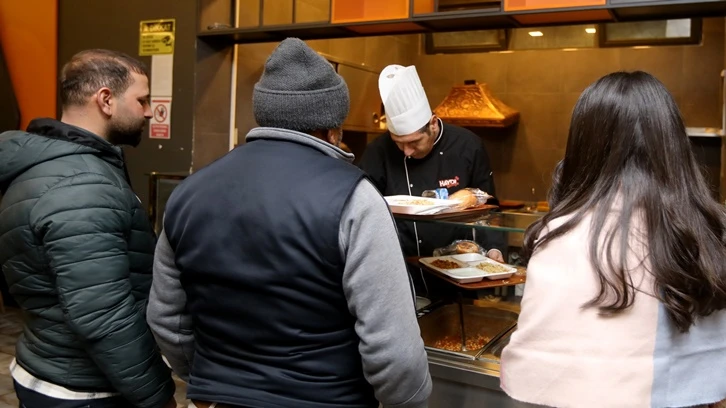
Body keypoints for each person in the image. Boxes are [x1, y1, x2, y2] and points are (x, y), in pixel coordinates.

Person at [147, 38, 431, 408]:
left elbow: (167, 320)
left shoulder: (187, 194)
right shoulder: (355, 198)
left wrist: (209, 380)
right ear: (332, 129)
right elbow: (396, 352)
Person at [500, 71, 726, 407]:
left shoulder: (561, 234)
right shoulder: (712, 229)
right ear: (673, 143)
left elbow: (540, 362)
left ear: (583, 146)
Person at [0, 49, 176, 407]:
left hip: (52, 368)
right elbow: (103, 317)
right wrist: (158, 396)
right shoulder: (82, 185)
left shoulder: (64, 165)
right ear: (106, 100)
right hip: (83, 389)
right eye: (141, 100)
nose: (147, 111)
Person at [359, 64, 504, 295]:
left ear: (433, 124)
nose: (406, 151)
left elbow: (488, 208)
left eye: (414, 142)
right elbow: (365, 212)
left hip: (461, 272)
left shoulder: (468, 146)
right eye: (398, 143)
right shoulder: (377, 152)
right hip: (400, 275)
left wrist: (495, 247)